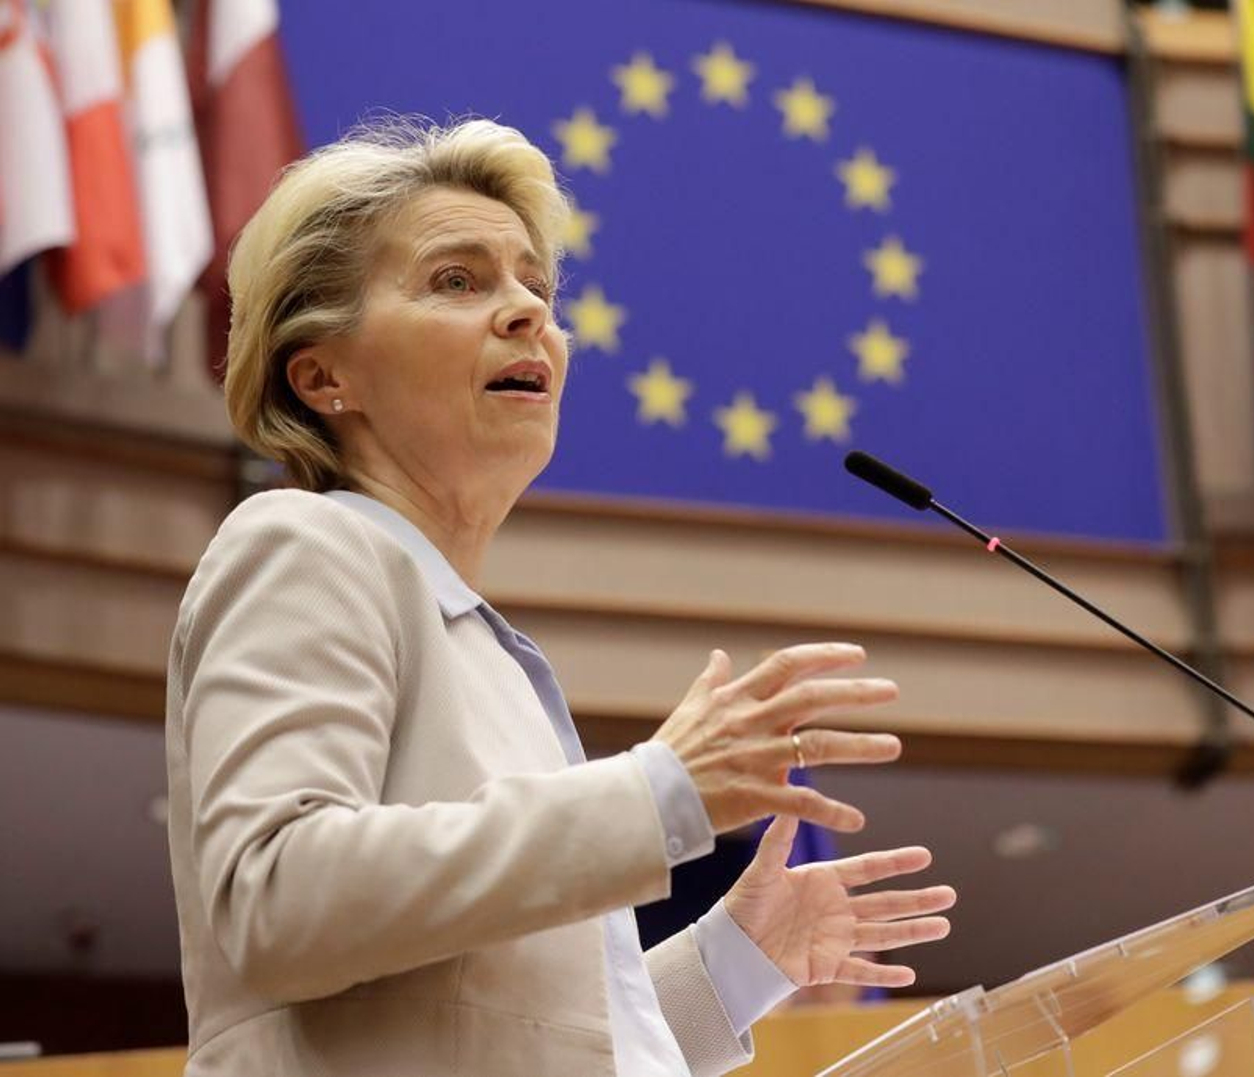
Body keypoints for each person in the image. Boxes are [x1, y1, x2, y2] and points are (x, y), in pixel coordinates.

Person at [163, 117, 957, 1076]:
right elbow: (273, 898)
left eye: (534, 286)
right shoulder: (303, 544)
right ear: (325, 374)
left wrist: (736, 963)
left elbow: (516, 1039)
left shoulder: (486, 649)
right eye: (457, 280)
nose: (526, 312)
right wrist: (656, 792)